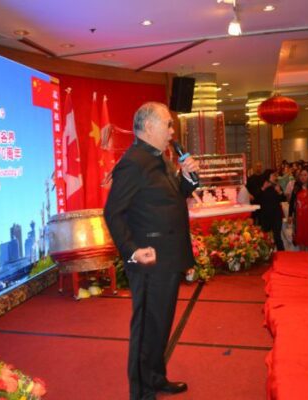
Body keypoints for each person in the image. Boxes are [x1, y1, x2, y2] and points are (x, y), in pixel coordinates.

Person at [104, 102, 199, 400]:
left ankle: (156, 378)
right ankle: (142, 393)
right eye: (167, 124)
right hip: (149, 261)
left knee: (160, 325)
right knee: (147, 330)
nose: (172, 131)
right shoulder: (133, 162)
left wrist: (187, 177)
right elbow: (113, 213)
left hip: (167, 258)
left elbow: (173, 196)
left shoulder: (160, 158)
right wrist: (132, 251)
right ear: (148, 127)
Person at [288, 168, 308, 251]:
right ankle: (303, 255)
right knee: (301, 236)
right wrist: (290, 215)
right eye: (301, 175)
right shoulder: (296, 187)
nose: (303, 177)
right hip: (299, 217)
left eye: (305, 175)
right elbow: (292, 202)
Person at [257, 169, 285, 250]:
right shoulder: (263, 185)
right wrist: (263, 188)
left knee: (277, 237)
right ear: (268, 177)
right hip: (266, 215)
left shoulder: (277, 186)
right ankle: (267, 254)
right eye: (273, 175)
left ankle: (282, 254)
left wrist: (279, 192)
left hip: (276, 215)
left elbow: (283, 199)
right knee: (266, 237)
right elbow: (257, 199)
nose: (275, 177)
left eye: (275, 175)